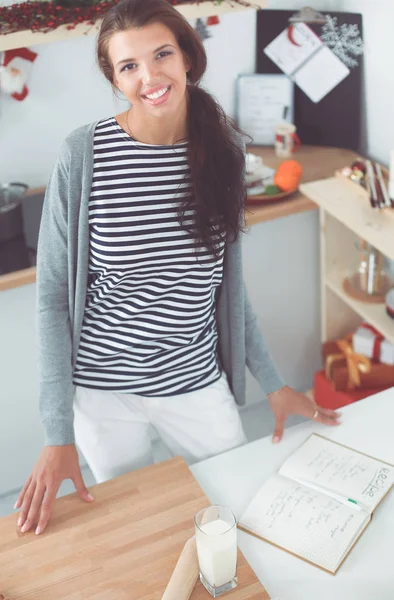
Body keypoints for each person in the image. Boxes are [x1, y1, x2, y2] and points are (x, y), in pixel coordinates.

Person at [14, 0, 340, 536]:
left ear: (188, 56)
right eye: (129, 66)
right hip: (104, 395)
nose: (150, 76)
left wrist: (275, 384)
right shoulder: (84, 155)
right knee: (142, 530)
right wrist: (58, 433)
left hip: (194, 381)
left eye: (161, 54)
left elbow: (224, 290)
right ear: (115, 80)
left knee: (231, 514)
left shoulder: (227, 151)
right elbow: (52, 297)